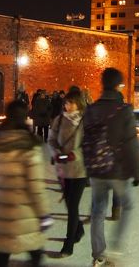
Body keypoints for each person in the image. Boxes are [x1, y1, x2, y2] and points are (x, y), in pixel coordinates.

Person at [83, 68, 139, 267]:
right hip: (117, 169)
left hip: (96, 168)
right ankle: (116, 250)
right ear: (118, 85)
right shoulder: (124, 110)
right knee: (128, 205)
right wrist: (137, 172)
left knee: (98, 210)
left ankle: (99, 254)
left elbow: (84, 139)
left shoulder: (91, 109)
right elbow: (131, 143)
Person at [0, 100, 52, 267]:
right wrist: (44, 214)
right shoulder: (28, 146)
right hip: (24, 210)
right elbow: (35, 187)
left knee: (0, 256)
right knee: (35, 253)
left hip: (1, 209)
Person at [48, 90, 87, 257]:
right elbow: (51, 140)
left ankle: (69, 243)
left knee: (72, 207)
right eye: (65, 103)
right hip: (63, 169)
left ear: (78, 103)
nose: (67, 105)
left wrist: (74, 154)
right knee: (69, 204)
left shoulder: (86, 121)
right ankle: (79, 229)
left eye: (71, 102)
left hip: (79, 169)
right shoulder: (59, 120)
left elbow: (89, 144)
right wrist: (55, 152)